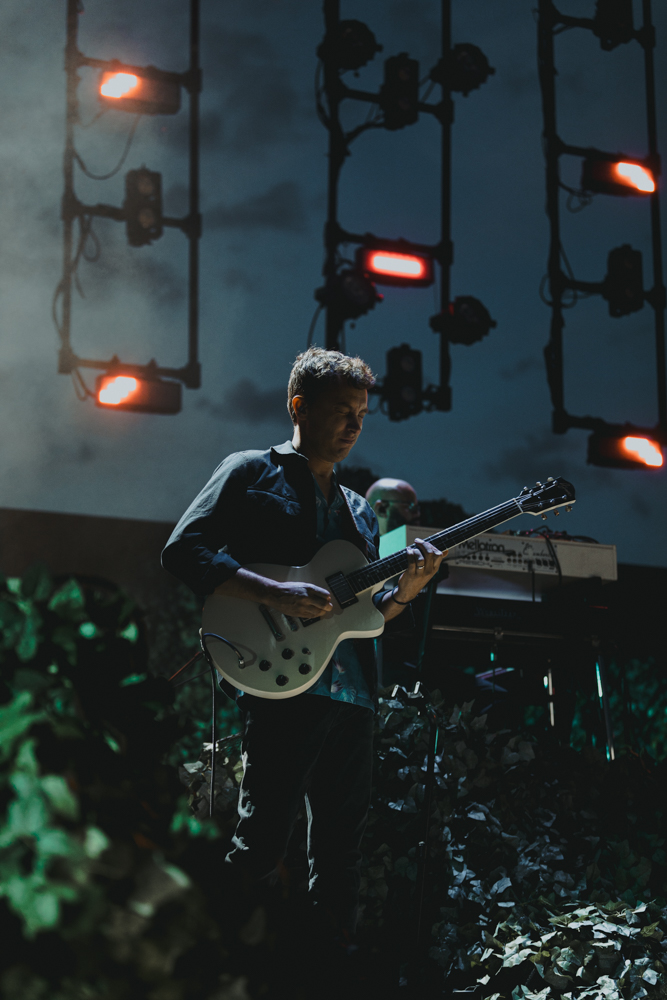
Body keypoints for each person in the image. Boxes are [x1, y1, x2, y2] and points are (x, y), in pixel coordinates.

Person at [161, 347, 444, 956]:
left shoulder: (361, 511)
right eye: (342, 410)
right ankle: (228, 968)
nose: (354, 424)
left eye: (362, 413)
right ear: (299, 407)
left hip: (354, 697)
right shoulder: (249, 472)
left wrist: (407, 591)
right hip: (283, 687)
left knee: (342, 855)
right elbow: (184, 550)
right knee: (262, 842)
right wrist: (275, 593)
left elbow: (369, 617)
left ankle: (324, 975)